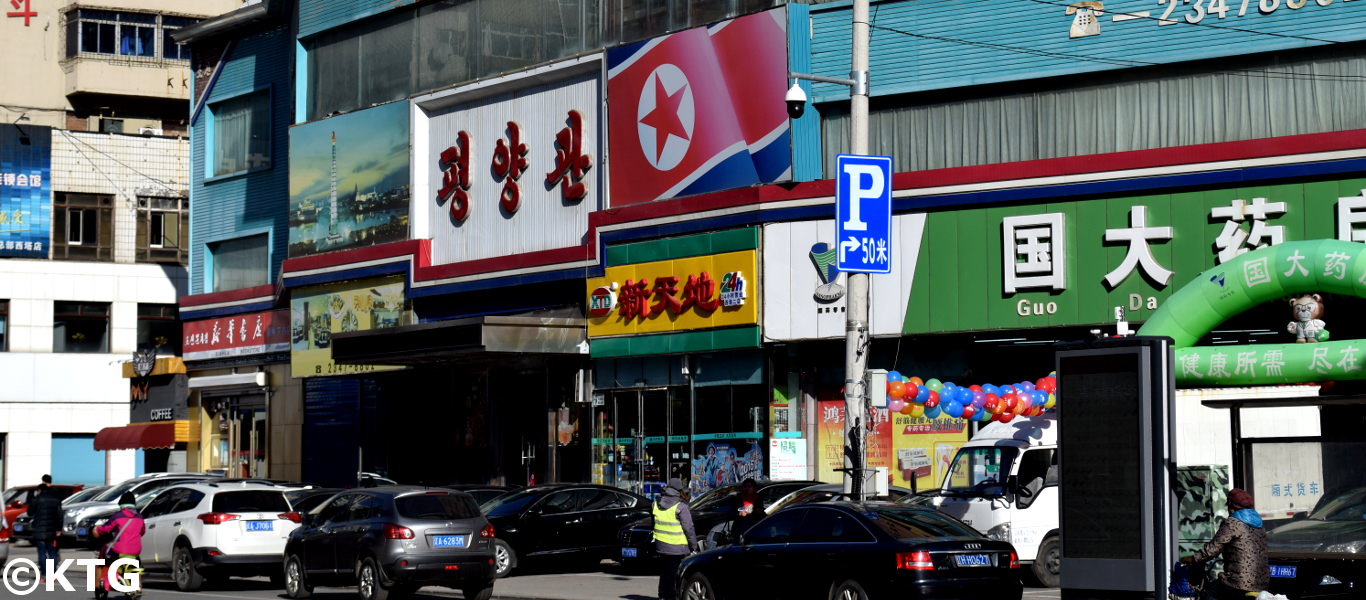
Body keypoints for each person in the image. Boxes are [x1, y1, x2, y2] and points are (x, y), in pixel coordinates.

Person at [1181, 488, 1268, 600]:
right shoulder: (1259, 524)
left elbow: (1213, 549)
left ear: (1231, 506)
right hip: (1262, 582)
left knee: (1208, 594)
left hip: (1239, 582)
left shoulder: (1232, 523)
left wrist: (1192, 558)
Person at [653, 477, 699, 600]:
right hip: (676, 546)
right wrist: (694, 545)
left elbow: (655, 523)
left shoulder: (656, 503)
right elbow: (688, 528)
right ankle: (671, 596)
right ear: (679, 490)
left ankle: (662, 595)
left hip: (660, 544)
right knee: (674, 573)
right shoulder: (681, 507)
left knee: (664, 571)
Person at [95, 492, 145, 593]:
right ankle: (138, 584)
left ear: (121, 504)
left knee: (103, 559)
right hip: (136, 550)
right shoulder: (140, 517)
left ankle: (103, 582)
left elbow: (105, 528)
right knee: (138, 563)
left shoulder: (117, 516)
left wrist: (96, 529)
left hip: (120, 549)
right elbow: (142, 532)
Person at [27, 483, 63, 582]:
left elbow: (29, 512)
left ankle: (44, 575)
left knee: (42, 553)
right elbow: (60, 515)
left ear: (39, 490)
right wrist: (59, 529)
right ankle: (54, 575)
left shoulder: (36, 499)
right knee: (52, 553)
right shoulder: (56, 500)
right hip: (52, 530)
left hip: (39, 530)